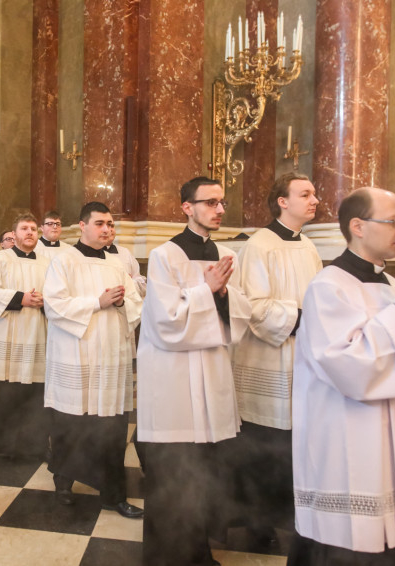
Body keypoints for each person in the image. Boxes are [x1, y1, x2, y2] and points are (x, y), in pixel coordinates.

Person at [289, 187, 395, 564]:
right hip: (350, 438)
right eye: (394, 221)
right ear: (358, 226)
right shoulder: (328, 286)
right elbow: (349, 366)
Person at [137, 176, 251, 566]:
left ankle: (199, 554)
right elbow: (164, 321)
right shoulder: (164, 255)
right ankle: (167, 558)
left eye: (222, 203)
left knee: (204, 473)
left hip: (212, 377)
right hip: (173, 382)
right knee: (173, 474)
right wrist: (207, 290)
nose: (219, 210)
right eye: (210, 203)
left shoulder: (224, 253)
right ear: (187, 207)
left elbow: (241, 312)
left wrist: (224, 293)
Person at [231, 172, 322, 549]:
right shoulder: (260, 245)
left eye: (314, 194)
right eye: (306, 194)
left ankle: (292, 514)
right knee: (264, 445)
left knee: (295, 444)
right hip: (268, 359)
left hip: (303, 358)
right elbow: (253, 305)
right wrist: (303, 318)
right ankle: (258, 521)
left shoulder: (309, 246)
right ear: (283, 202)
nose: (315, 200)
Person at [44, 202, 144, 517]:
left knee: (112, 427)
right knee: (72, 421)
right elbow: (54, 305)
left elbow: (136, 303)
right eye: (100, 223)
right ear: (82, 226)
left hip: (112, 355)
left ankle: (113, 494)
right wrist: (97, 302)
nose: (107, 229)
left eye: (110, 224)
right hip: (77, 355)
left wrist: (122, 304)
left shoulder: (117, 263)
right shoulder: (64, 261)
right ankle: (64, 482)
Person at [0, 214, 51, 457]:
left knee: (33, 390)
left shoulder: (48, 263)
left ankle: (32, 442)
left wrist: (45, 300)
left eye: (33, 228)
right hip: (4, 333)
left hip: (36, 333)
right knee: (0, 390)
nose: (30, 232)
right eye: (24, 228)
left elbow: (59, 295)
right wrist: (21, 298)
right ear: (14, 234)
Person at [105, 223, 146, 297]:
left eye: (112, 226)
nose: (111, 230)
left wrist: (128, 283)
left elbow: (141, 282)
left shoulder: (125, 252)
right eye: (106, 226)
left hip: (128, 301)